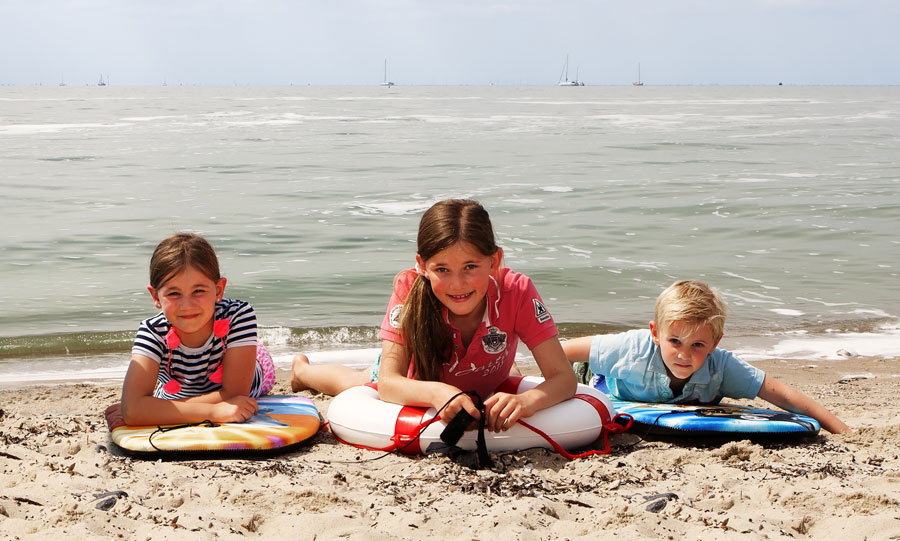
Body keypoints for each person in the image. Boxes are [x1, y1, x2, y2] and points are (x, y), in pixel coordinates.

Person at [291, 199, 576, 432]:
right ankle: (302, 371)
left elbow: (563, 377)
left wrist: (528, 401)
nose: (457, 284)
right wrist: (436, 393)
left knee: (505, 374)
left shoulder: (517, 291)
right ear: (422, 266)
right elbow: (389, 383)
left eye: (470, 267)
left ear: (494, 261)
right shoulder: (409, 288)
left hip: (486, 374)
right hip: (416, 379)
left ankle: (504, 370)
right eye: (442, 269)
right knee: (354, 382)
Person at [564, 280, 850, 434]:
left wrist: (843, 431)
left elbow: (782, 395)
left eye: (698, 344)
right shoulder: (632, 348)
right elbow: (561, 353)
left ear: (715, 342)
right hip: (595, 377)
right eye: (674, 340)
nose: (684, 354)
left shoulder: (721, 367)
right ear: (655, 333)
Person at [105, 233, 276, 429]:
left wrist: (149, 410)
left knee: (257, 362)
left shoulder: (238, 315)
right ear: (155, 296)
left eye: (199, 291)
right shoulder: (152, 332)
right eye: (174, 293)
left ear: (218, 290)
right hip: (178, 389)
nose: (187, 305)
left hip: (252, 367)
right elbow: (134, 410)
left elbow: (235, 396)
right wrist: (213, 412)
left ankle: (300, 371)